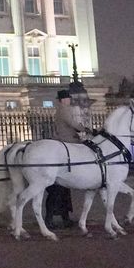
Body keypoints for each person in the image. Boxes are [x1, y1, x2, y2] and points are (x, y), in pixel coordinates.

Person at [46, 89, 87, 228]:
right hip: (68, 141)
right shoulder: (64, 110)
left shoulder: (62, 109)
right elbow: (72, 124)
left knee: (64, 190)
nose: (70, 100)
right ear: (63, 100)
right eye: (68, 98)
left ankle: (64, 217)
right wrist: (85, 129)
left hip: (68, 138)